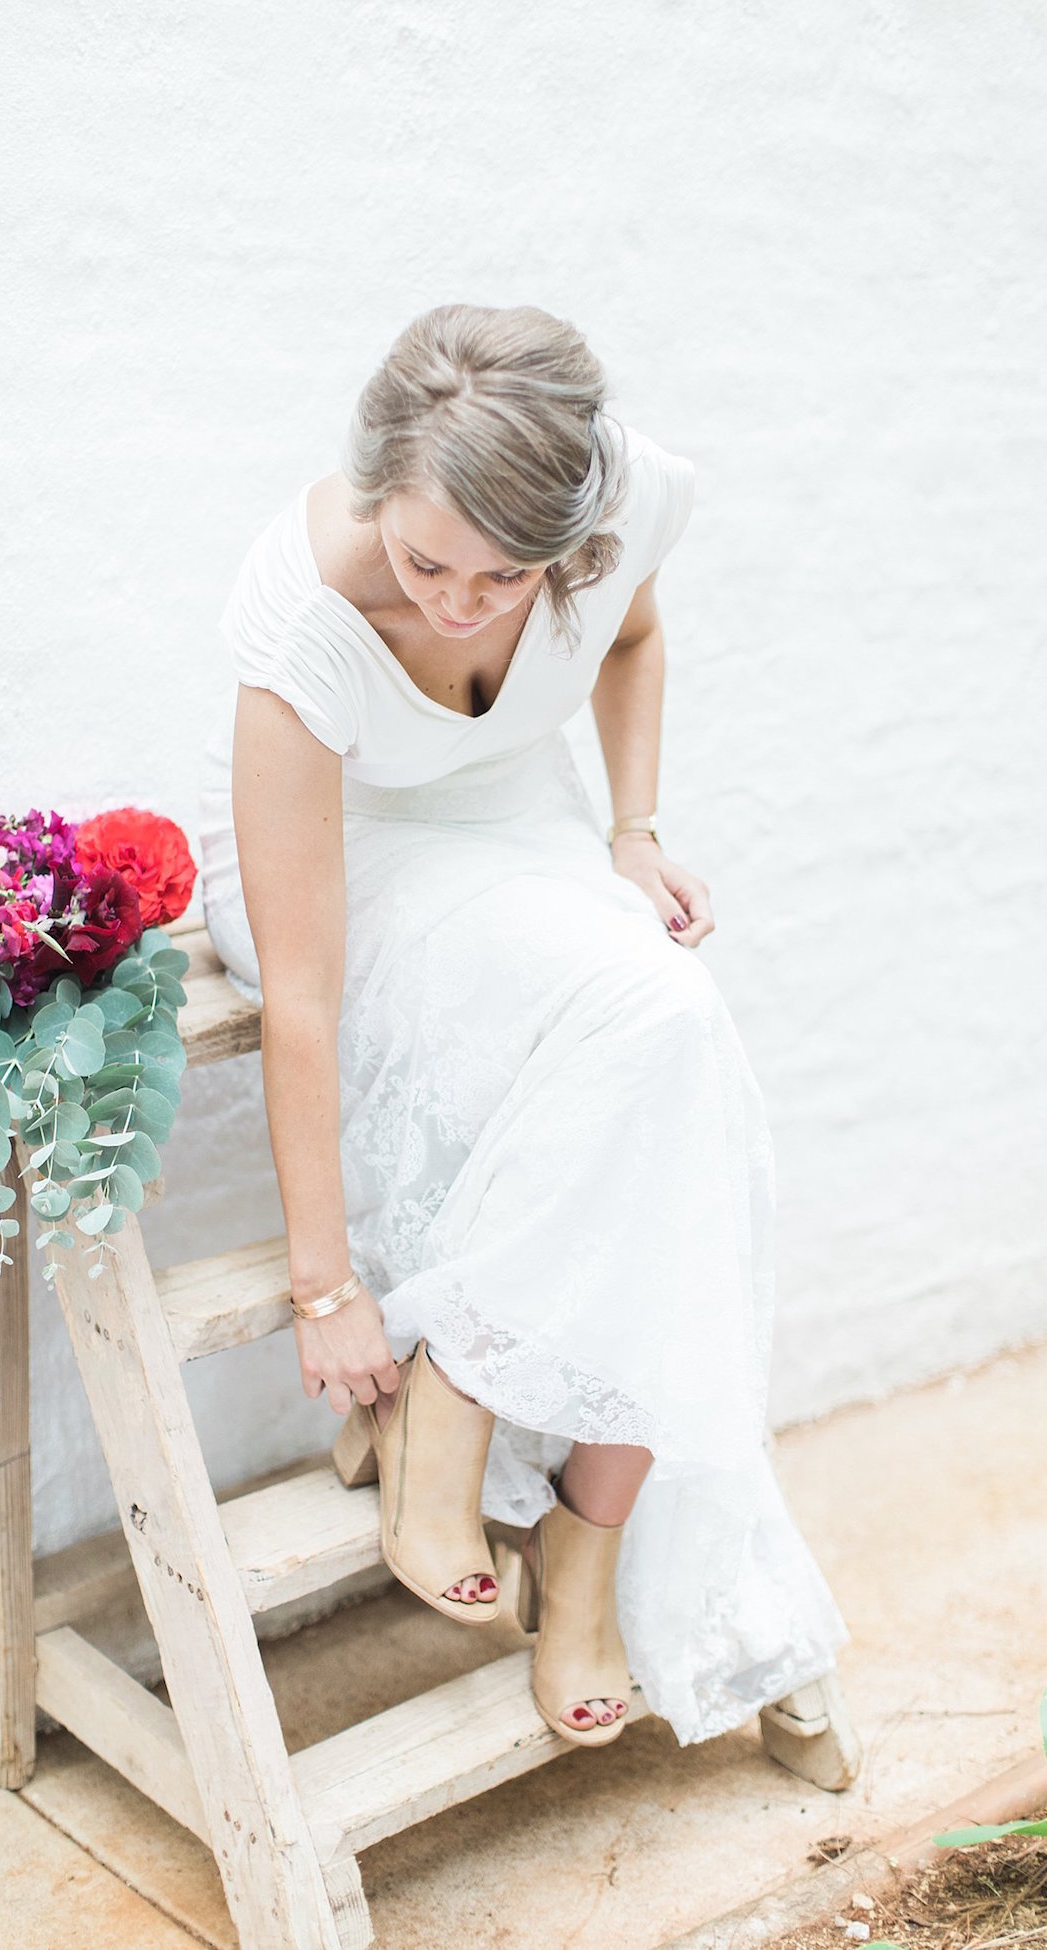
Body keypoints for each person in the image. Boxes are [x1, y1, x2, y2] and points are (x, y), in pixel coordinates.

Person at [196, 301, 859, 1773]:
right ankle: (487, 1423)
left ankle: (574, 1519)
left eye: (507, 576)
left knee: (679, 1039)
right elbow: (303, 992)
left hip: (525, 828)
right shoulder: (302, 615)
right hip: (349, 862)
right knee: (651, 1025)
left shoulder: (620, 509)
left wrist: (633, 827)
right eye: (428, 561)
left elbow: (635, 634)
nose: (459, 602)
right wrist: (326, 1287)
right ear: (377, 497)